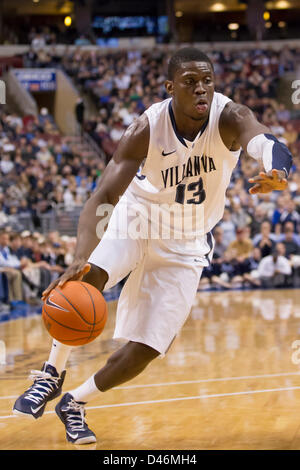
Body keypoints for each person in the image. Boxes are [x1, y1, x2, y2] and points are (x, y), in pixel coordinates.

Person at [13, 47, 292, 444]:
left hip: (188, 240)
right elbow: (104, 194)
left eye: (207, 81)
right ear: (169, 87)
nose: (202, 90)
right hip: (139, 218)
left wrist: (278, 170)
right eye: (190, 82)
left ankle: (74, 402)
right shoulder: (148, 126)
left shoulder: (230, 116)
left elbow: (266, 141)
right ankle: (51, 373)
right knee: (85, 281)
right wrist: (80, 256)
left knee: (148, 347)